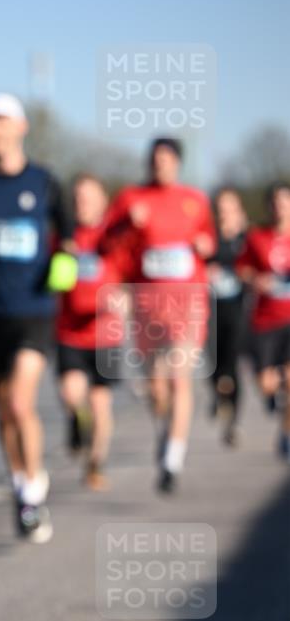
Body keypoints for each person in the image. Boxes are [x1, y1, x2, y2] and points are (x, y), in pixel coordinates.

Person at [0, 93, 71, 543]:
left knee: (21, 403)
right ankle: (21, 487)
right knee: (3, 411)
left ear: (20, 127)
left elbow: (71, 234)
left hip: (35, 310)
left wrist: (67, 262)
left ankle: (34, 486)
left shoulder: (45, 182)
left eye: (1, 121)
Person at [101, 138, 215, 493]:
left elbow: (211, 240)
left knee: (180, 378)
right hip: (147, 301)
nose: (159, 165)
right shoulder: (130, 199)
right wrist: (126, 227)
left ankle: (172, 459)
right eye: (154, 159)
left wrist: (206, 247)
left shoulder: (194, 200)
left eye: (166, 160)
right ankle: (167, 430)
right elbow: (107, 246)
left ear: (177, 163)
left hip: (188, 299)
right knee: (156, 386)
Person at [55, 174, 122, 490]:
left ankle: (95, 464)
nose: (82, 203)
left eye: (89, 197)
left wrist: (125, 297)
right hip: (70, 330)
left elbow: (132, 272)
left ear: (103, 200)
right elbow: (51, 276)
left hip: (107, 334)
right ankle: (75, 421)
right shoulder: (63, 235)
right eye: (78, 197)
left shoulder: (115, 236)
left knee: (100, 405)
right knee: (70, 393)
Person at [236, 181, 290, 460]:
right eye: (276, 203)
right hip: (265, 321)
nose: (280, 208)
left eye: (285, 202)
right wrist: (255, 280)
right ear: (269, 207)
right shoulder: (258, 238)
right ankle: (273, 398)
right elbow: (241, 270)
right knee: (266, 383)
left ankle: (286, 432)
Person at [206, 187, 248, 446]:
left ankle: (233, 422)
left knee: (230, 367)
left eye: (229, 207)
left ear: (238, 209)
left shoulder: (247, 239)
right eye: (220, 208)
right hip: (211, 310)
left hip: (239, 310)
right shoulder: (208, 238)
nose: (224, 213)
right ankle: (218, 396)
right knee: (212, 365)